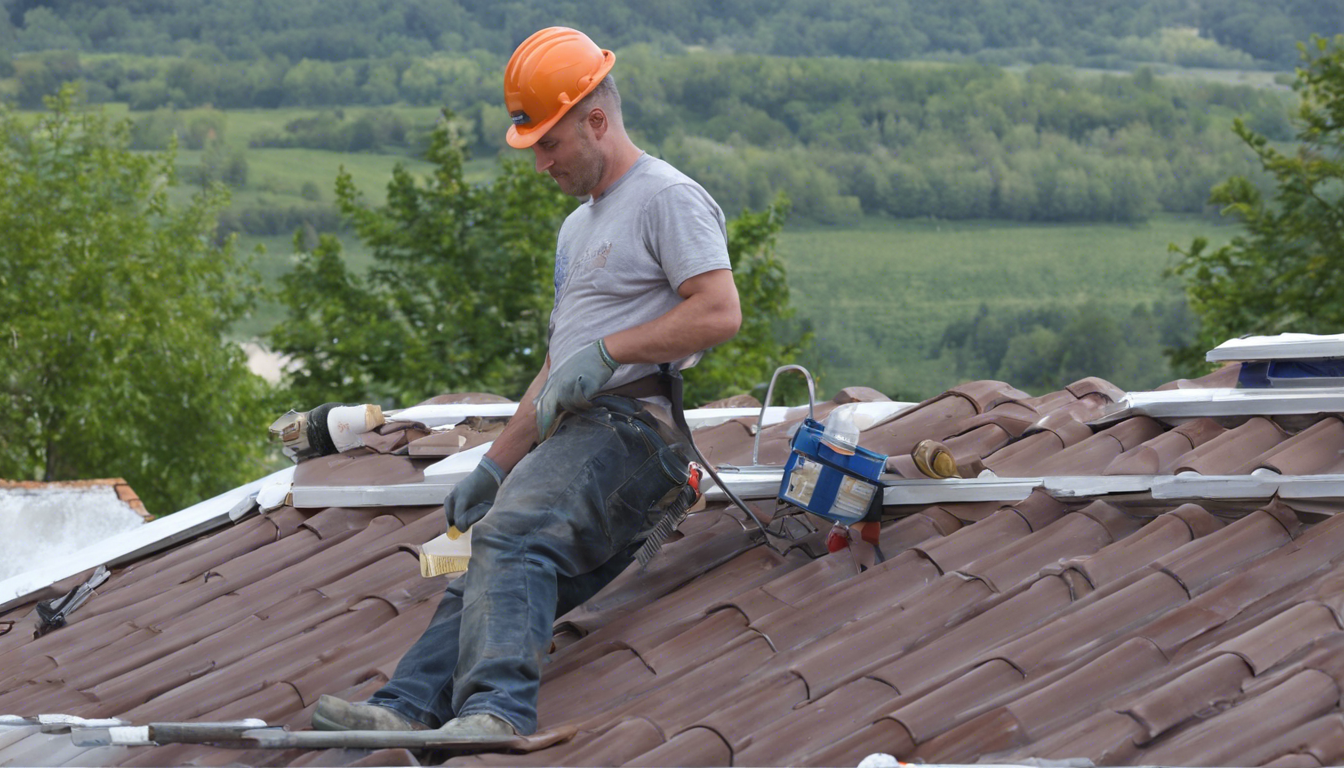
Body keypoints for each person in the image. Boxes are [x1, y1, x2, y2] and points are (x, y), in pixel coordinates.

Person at [311, 26, 741, 740]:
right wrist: (494, 465)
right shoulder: (578, 230)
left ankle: (498, 713)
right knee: (490, 571)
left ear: (597, 121)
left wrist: (609, 352)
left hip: (632, 436)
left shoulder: (667, 196)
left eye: (549, 143)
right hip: (580, 436)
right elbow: (556, 370)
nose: (540, 163)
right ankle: (406, 709)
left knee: (512, 537)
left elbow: (719, 311)